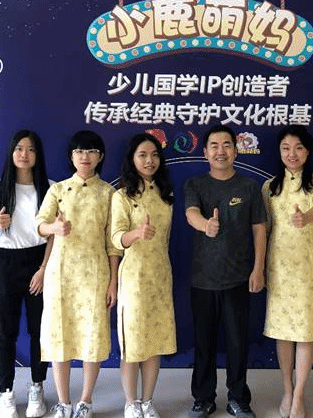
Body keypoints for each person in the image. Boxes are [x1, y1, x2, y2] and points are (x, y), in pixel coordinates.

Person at [36, 130, 122, 418]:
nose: (85, 156)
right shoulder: (58, 190)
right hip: (60, 275)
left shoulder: (109, 193)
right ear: (71, 156)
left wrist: (113, 281)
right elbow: (40, 223)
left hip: (95, 275)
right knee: (59, 336)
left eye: (91, 151)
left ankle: (85, 401)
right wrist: (54, 228)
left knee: (92, 337)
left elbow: (113, 243)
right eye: (79, 151)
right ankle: (64, 402)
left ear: (100, 156)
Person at [184, 124, 267, 418]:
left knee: (237, 343)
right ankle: (203, 398)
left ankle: (238, 398)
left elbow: (259, 229)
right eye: (214, 146)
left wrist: (258, 269)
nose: (221, 151)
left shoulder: (249, 187)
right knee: (203, 344)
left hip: (238, 278)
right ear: (205, 152)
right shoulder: (195, 184)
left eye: (227, 145)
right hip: (202, 279)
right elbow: (191, 213)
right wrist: (205, 225)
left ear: (236, 150)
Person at [0, 130, 52, 418]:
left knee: (39, 331)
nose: (24, 154)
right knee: (5, 332)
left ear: (38, 155)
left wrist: (43, 269)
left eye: (31, 149)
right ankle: (6, 393)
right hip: (6, 263)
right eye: (19, 148)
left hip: (39, 261)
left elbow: (55, 235)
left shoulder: (49, 188)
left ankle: (37, 387)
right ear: (11, 152)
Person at [262, 125, 313, 418]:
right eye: (286, 148)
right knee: (283, 333)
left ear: (308, 151)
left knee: (305, 334)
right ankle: (287, 390)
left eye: (298, 147)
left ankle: (300, 394)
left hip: (309, 271)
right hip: (279, 268)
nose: (292, 154)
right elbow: (264, 228)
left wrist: (306, 217)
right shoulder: (269, 187)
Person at [110, 133, 177, 418]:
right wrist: (135, 234)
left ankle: (147, 401)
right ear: (132, 159)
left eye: (154, 155)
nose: (149, 160)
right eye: (142, 155)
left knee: (154, 342)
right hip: (133, 278)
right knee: (133, 343)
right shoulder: (122, 196)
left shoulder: (165, 194)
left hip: (160, 276)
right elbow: (115, 238)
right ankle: (130, 402)